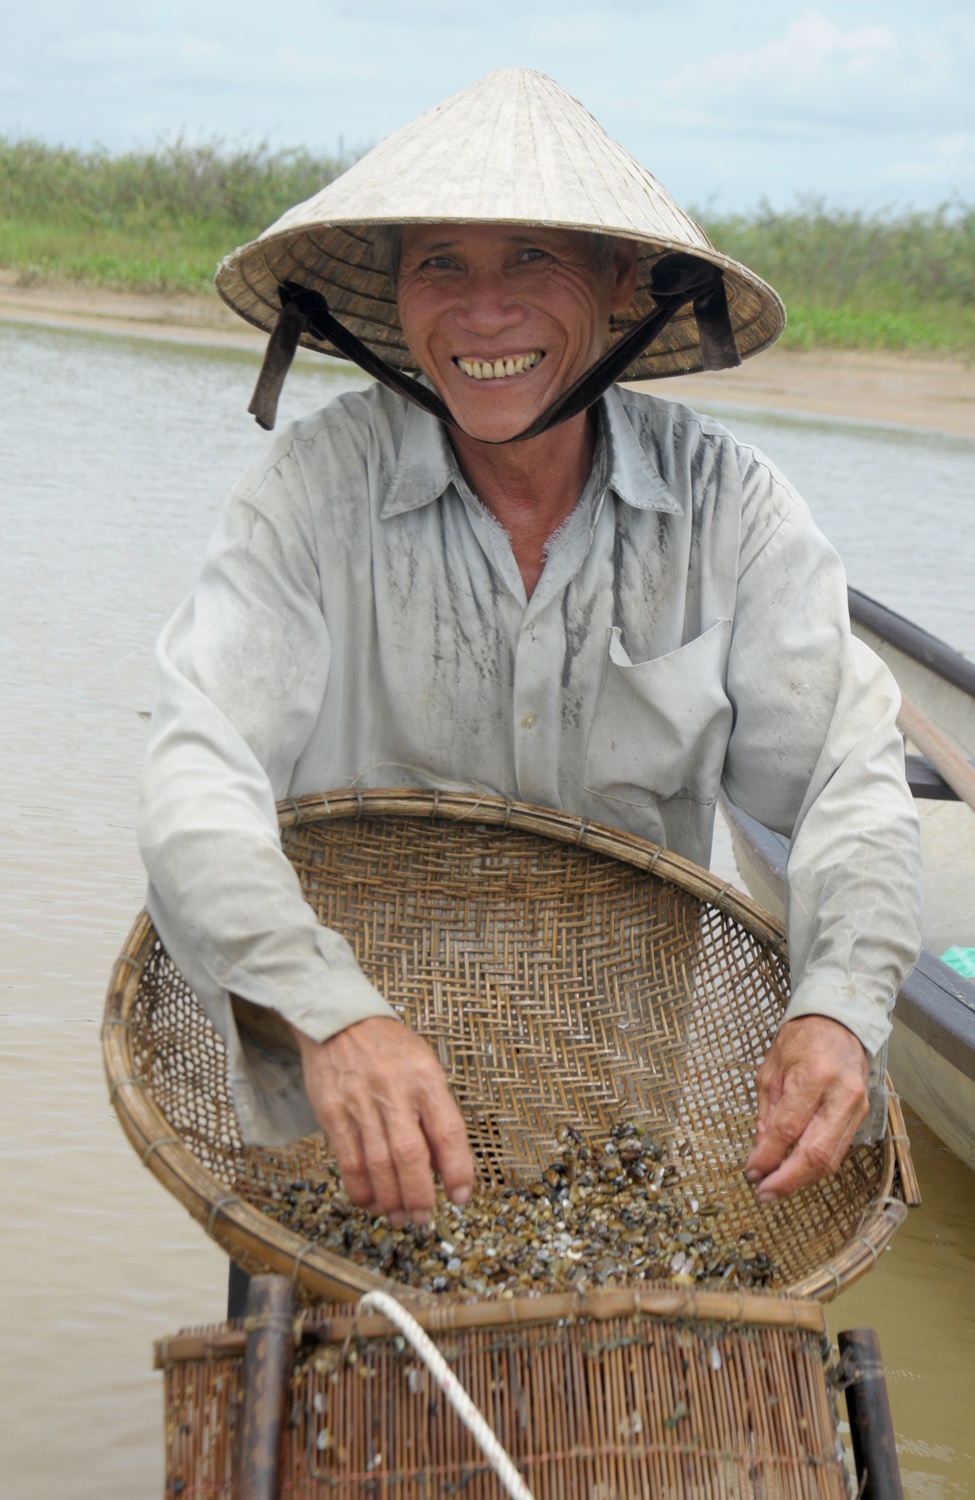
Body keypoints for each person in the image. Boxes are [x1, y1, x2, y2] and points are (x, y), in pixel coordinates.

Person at [139, 69, 921, 1234]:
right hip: (354, 1133)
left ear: (618, 286)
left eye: (530, 263)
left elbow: (845, 786)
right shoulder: (308, 495)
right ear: (397, 296)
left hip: (604, 1125)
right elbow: (195, 782)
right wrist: (332, 1017)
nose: (482, 313)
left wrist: (837, 1009)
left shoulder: (731, 510)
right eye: (440, 264)